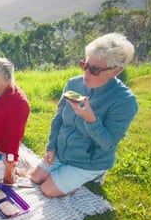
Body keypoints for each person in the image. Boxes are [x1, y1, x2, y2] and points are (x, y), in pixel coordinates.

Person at [29, 33, 138, 198]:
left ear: (116, 70)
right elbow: (58, 118)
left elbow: (108, 144)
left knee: (47, 189)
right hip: (63, 151)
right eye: (85, 65)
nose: (86, 74)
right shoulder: (74, 83)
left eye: (94, 70)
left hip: (90, 161)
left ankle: (96, 175)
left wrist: (91, 120)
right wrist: (51, 146)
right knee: (35, 178)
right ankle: (63, 172)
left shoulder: (125, 101)